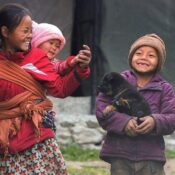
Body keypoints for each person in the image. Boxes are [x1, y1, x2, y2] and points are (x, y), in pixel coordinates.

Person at [0, 3, 91, 174]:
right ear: (5, 32)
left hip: (36, 139)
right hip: (4, 141)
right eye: (24, 31)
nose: (29, 37)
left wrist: (81, 69)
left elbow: (60, 89)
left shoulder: (37, 57)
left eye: (30, 32)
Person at [96, 33, 175, 175]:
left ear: (159, 62)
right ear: (131, 56)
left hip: (150, 156)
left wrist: (155, 121)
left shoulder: (165, 88)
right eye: (139, 53)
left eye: (151, 55)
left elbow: (172, 117)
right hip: (120, 154)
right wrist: (124, 122)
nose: (144, 57)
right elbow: (101, 110)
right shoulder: (116, 80)